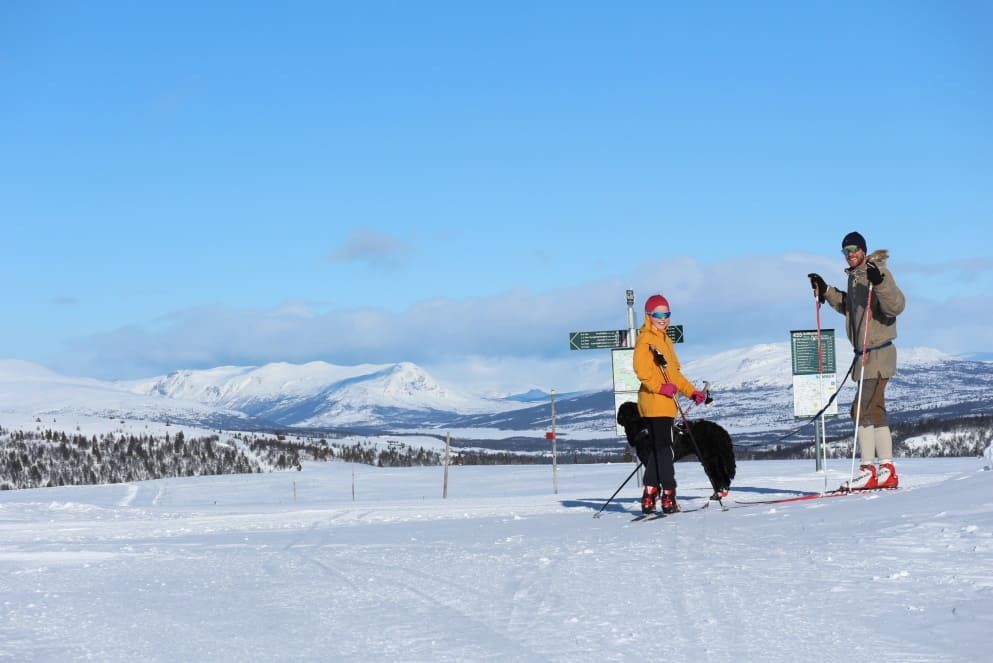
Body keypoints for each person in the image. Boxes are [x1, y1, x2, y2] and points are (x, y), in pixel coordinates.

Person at [808, 231, 906, 490]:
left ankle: (868, 470)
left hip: (879, 353)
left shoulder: (877, 273)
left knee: (859, 410)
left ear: (863, 250)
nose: (850, 254)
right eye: (845, 251)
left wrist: (880, 282)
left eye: (853, 249)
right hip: (866, 355)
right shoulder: (854, 278)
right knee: (875, 410)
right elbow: (849, 307)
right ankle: (886, 469)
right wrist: (826, 290)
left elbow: (895, 306)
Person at [633, 294, 707, 514]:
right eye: (658, 314)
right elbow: (641, 371)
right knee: (664, 450)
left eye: (666, 314)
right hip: (654, 403)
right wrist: (659, 387)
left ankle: (649, 495)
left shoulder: (665, 340)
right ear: (649, 316)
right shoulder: (646, 339)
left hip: (666, 404)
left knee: (659, 450)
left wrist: (691, 392)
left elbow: (673, 374)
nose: (663, 318)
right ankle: (668, 496)